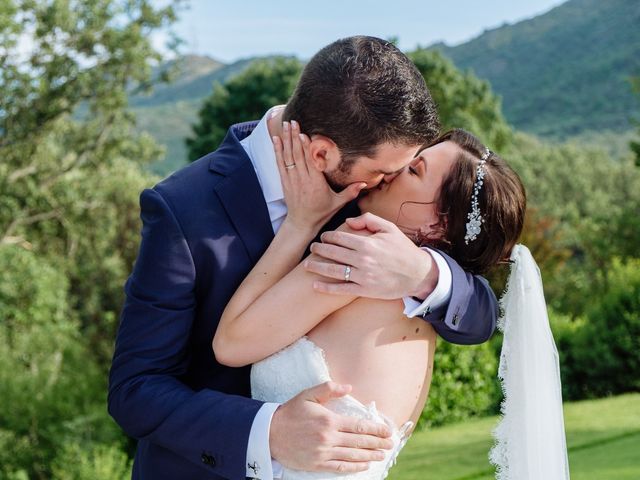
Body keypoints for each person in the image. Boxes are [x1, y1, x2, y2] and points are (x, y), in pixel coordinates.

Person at [108, 36, 498, 480]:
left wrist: (422, 273)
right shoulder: (182, 209)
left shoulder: (377, 203)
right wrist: (267, 432)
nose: (388, 182)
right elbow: (135, 389)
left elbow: (480, 313)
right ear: (321, 154)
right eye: (385, 172)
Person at [213, 127, 527, 479]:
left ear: (439, 224)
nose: (394, 169)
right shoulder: (419, 307)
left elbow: (231, 343)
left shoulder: (363, 250)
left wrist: (300, 224)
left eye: (414, 169)